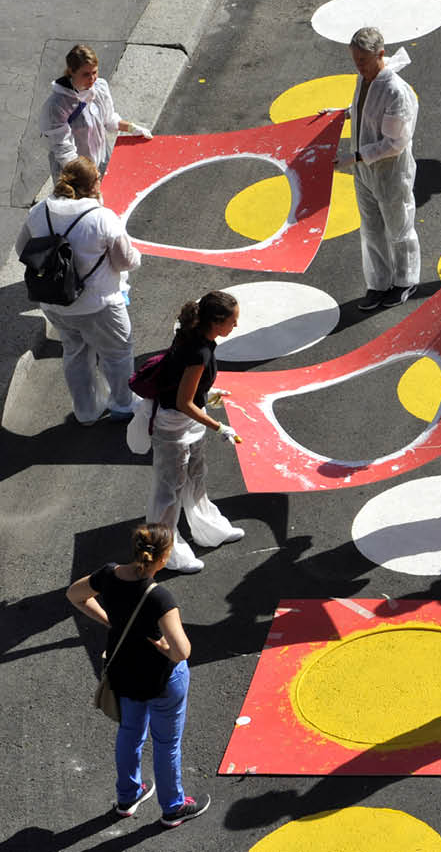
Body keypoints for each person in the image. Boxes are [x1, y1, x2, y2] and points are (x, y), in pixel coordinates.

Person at [65, 523, 211, 827]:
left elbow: (75, 595)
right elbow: (182, 651)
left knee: (130, 733)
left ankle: (128, 796)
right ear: (164, 557)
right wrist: (163, 646)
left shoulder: (108, 574)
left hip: (124, 672)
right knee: (166, 743)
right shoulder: (160, 598)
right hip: (161, 680)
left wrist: (110, 622)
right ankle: (173, 807)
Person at [15, 158, 140, 424]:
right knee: (117, 353)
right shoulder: (102, 218)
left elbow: (21, 250)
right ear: (93, 186)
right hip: (100, 305)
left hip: (54, 302)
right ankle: (121, 404)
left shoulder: (39, 212)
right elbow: (126, 261)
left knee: (75, 353)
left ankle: (86, 411)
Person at [149, 291, 246, 574]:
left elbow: (181, 383)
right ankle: (164, 554)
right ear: (216, 322)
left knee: (195, 478)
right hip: (174, 428)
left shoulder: (194, 337)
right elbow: (183, 402)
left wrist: (208, 392)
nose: (235, 326)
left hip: (185, 423)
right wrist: (219, 427)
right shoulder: (200, 352)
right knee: (168, 494)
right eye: (233, 321)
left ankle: (210, 528)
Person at [336, 26, 420, 311]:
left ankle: (405, 280)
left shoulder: (395, 91)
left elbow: (394, 144)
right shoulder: (365, 78)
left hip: (390, 172)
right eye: (355, 59)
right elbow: (363, 110)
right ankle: (379, 283)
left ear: (380, 55)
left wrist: (353, 157)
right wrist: (340, 115)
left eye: (362, 60)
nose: (357, 65)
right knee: (371, 229)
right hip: (364, 170)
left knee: (398, 227)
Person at [39, 43, 151, 182]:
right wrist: (86, 176)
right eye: (86, 74)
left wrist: (131, 128)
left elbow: (109, 120)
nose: (92, 79)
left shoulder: (100, 88)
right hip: (75, 171)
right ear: (72, 72)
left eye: (94, 72)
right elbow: (63, 151)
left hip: (101, 158)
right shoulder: (58, 105)